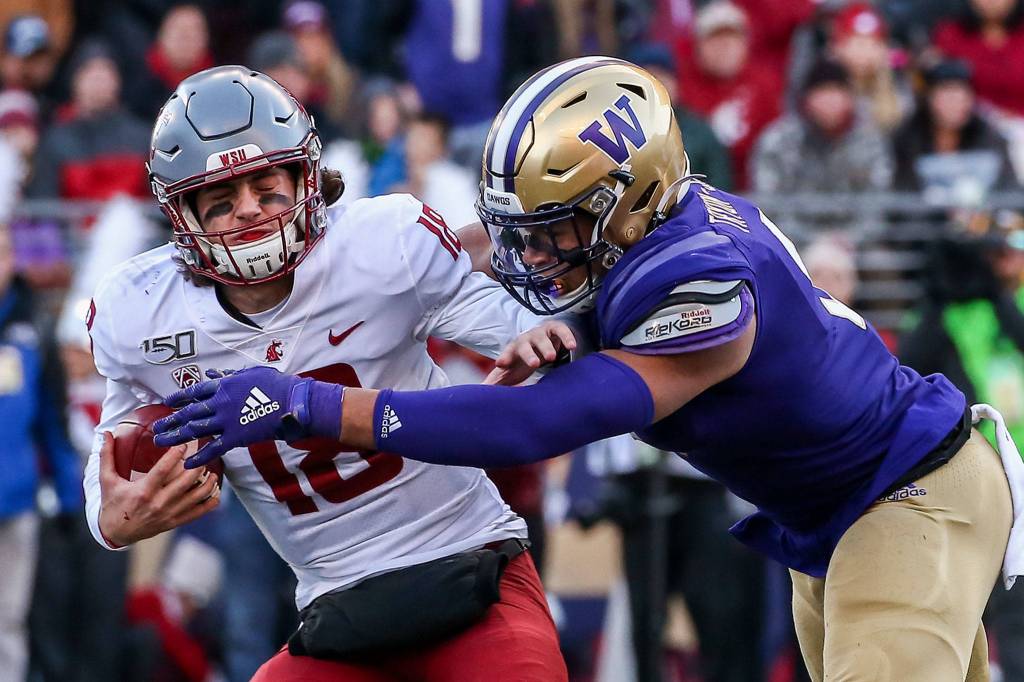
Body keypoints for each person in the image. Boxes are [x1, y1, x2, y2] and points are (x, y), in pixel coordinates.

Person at [158, 57, 1024, 682]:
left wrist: (313, 405)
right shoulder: (658, 226)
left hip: (905, 492)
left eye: (553, 228)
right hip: (835, 515)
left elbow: (537, 423)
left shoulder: (702, 283)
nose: (529, 249)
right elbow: (523, 269)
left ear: (626, 201)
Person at [84, 66, 567, 681]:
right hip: (339, 610)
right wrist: (111, 520)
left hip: (471, 568)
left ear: (305, 178)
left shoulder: (382, 243)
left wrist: (538, 335)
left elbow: (519, 329)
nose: (250, 213)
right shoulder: (141, 315)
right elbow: (108, 459)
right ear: (184, 218)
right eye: (222, 202)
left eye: (267, 188)